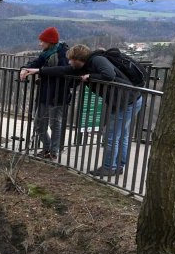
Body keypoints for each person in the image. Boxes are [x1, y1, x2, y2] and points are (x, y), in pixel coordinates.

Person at [42, 44, 145, 177]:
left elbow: (109, 74)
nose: (70, 62)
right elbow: (64, 70)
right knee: (121, 134)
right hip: (129, 99)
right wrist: (40, 71)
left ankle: (109, 167)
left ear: (79, 59)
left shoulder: (97, 60)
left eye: (72, 60)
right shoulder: (86, 65)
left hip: (125, 101)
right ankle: (118, 165)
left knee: (111, 135)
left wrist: (90, 77)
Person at [18, 27, 74, 160]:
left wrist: (40, 71)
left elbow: (64, 70)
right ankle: (48, 148)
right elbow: (35, 63)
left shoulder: (63, 54)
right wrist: (24, 68)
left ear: (50, 41)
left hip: (58, 94)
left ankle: (53, 152)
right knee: (39, 124)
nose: (40, 44)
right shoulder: (46, 53)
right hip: (45, 94)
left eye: (42, 41)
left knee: (55, 124)